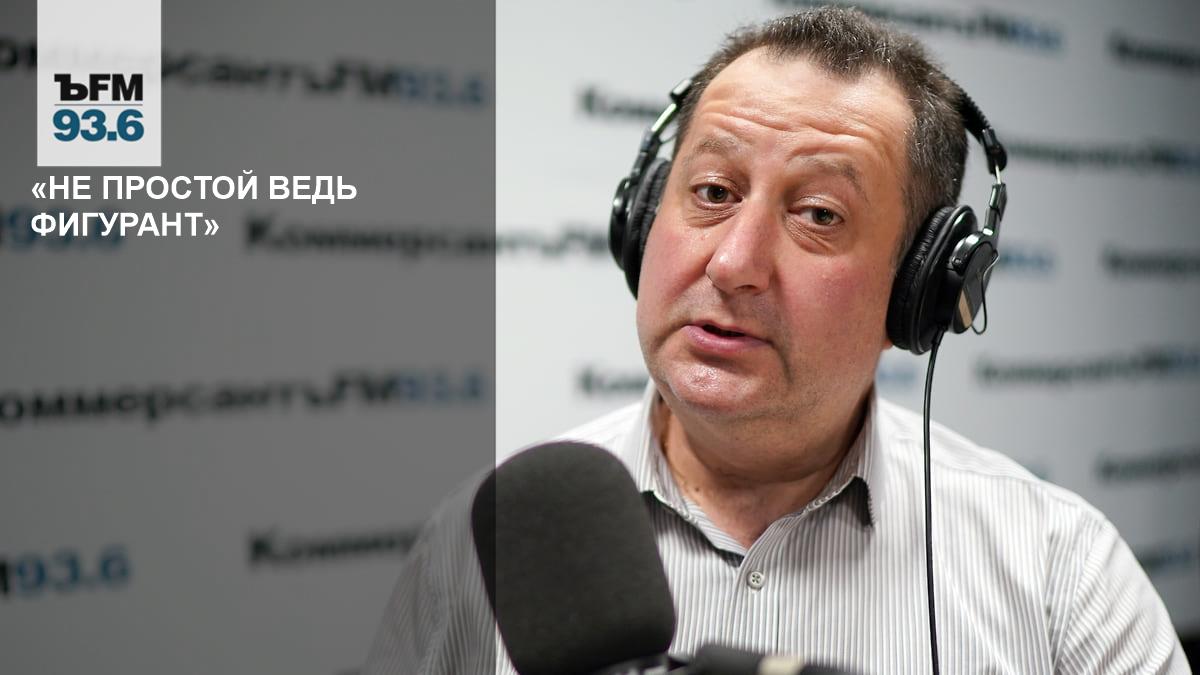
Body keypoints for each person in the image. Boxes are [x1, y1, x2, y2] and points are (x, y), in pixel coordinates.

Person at [364, 7, 1189, 674]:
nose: (733, 263)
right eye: (712, 191)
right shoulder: (485, 543)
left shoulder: (1060, 572)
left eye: (819, 214)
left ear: (921, 291)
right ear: (643, 217)